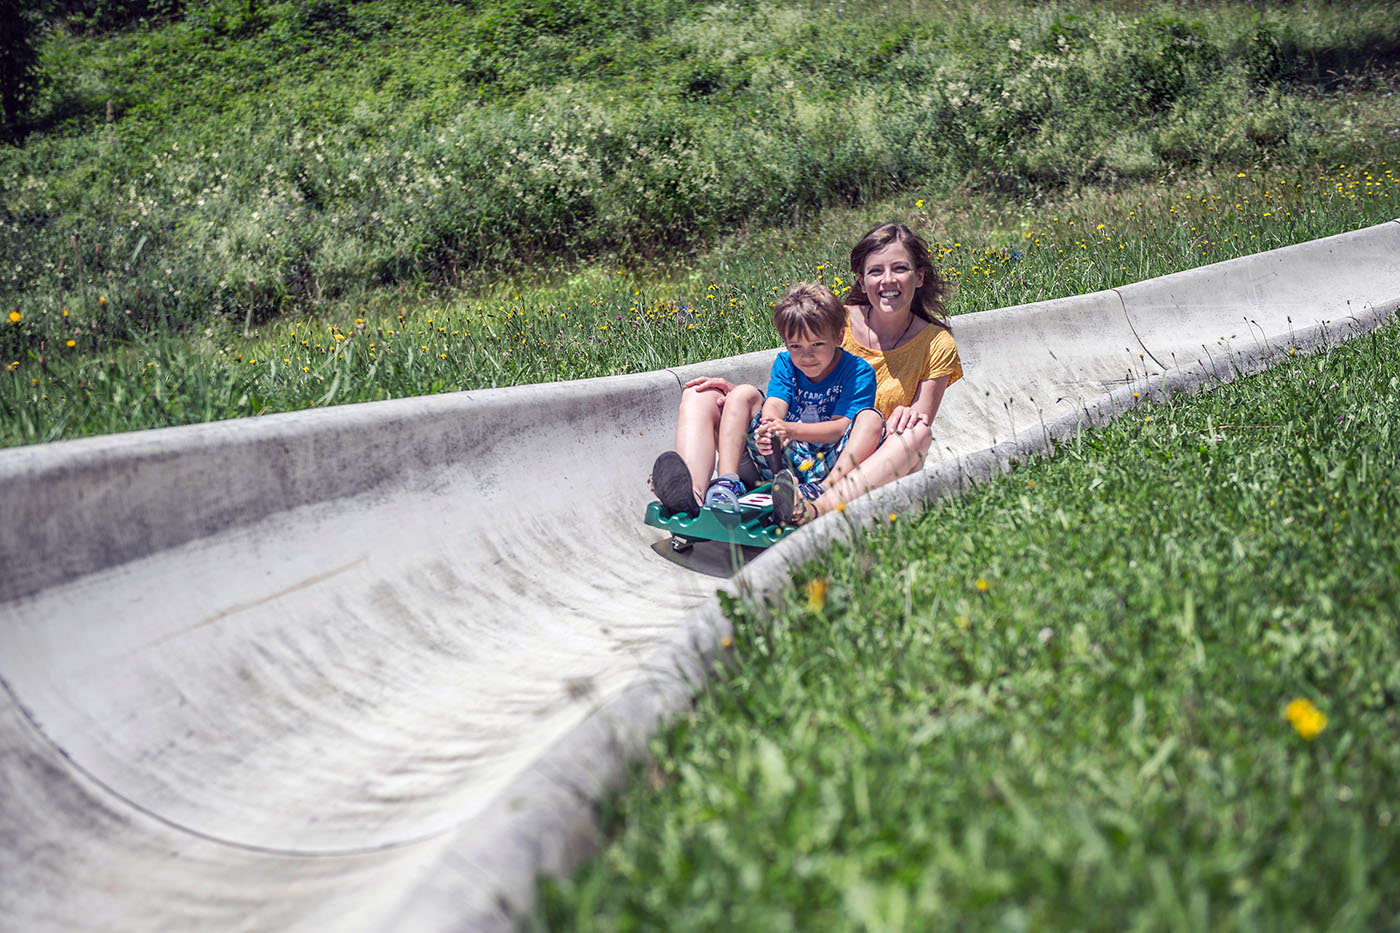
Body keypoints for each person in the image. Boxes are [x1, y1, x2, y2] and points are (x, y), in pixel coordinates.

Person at [653, 222, 962, 525]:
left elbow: (917, 423)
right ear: (861, 279)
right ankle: (693, 499)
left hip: (858, 466)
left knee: (915, 433)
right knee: (701, 394)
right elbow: (792, 379)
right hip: (788, 453)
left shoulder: (936, 343)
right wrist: (744, 401)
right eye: (876, 271)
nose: (888, 280)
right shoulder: (831, 319)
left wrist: (907, 417)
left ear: (919, 277)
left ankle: (814, 508)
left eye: (900, 269)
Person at [650, 281, 880, 515]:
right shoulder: (786, 364)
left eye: (817, 344)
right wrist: (768, 428)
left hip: (827, 461)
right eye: (795, 346)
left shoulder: (857, 372)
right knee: (743, 394)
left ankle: (822, 490)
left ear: (839, 336)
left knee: (871, 419)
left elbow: (840, 428)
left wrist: (790, 430)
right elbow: (775, 402)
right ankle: (726, 483)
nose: (806, 355)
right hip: (782, 461)